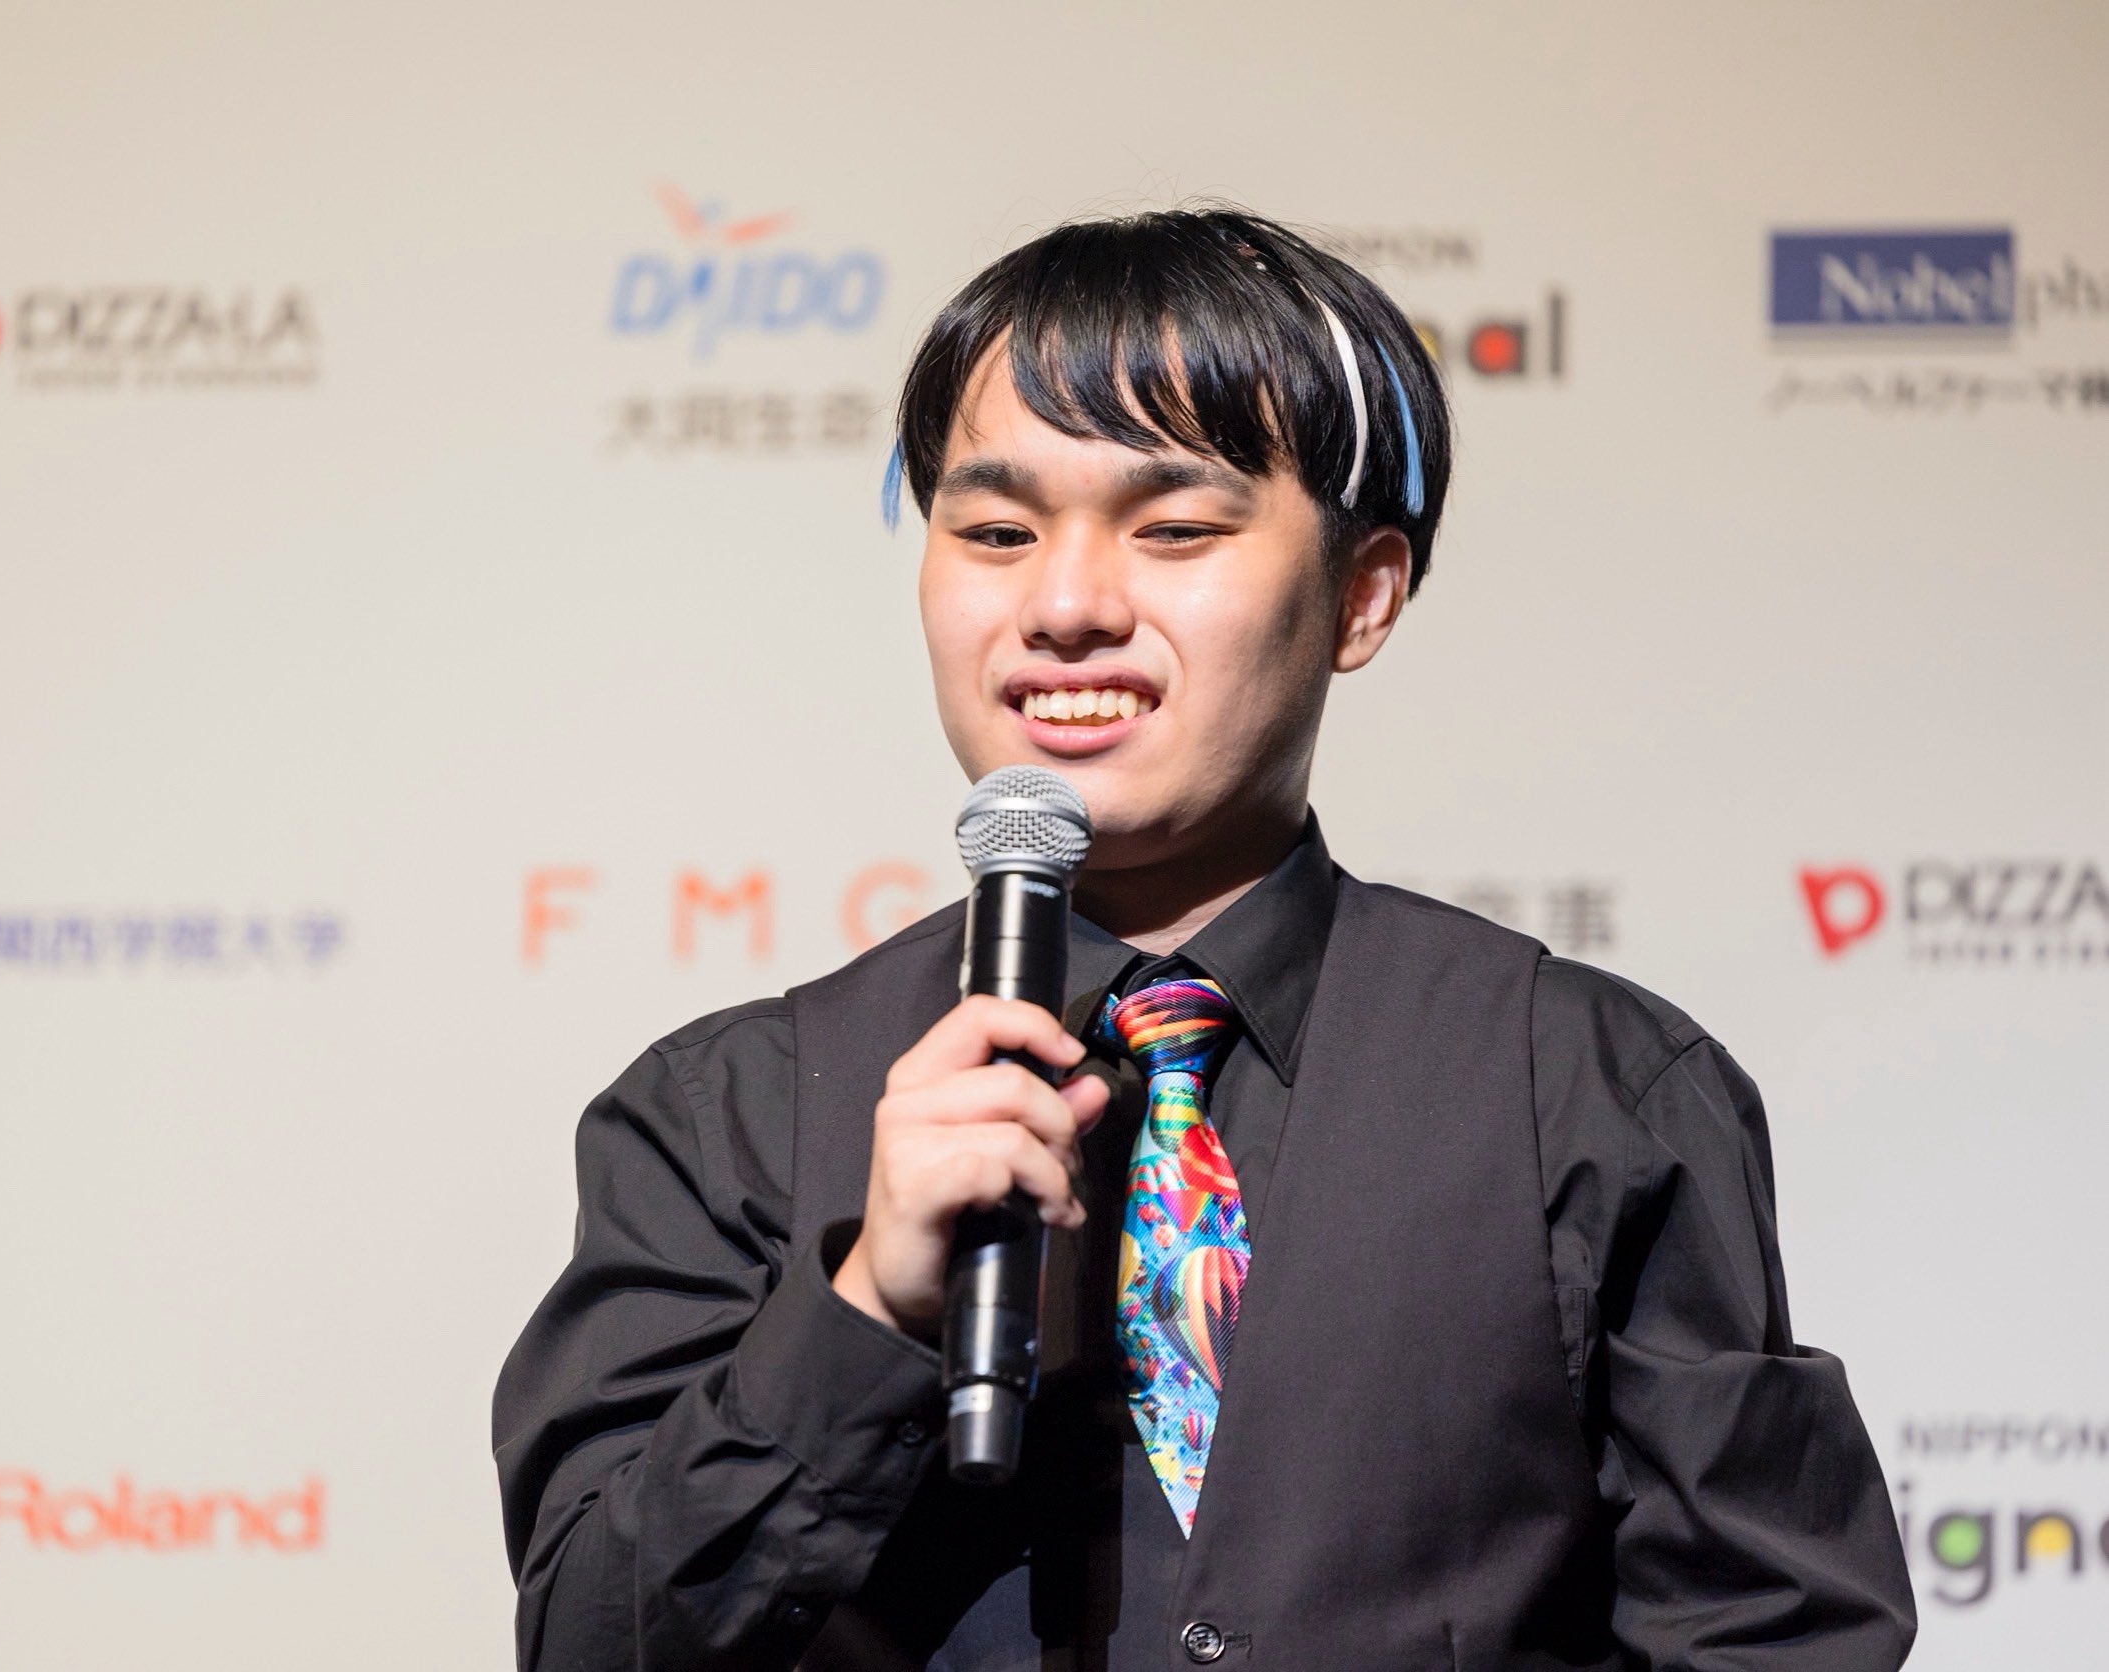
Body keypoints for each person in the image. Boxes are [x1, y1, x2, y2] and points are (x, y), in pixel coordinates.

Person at [491, 205, 1916, 1672]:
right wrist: (868, 1315)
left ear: (1362, 595)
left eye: (1173, 529)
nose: (1064, 607)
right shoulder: (726, 1112)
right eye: (995, 533)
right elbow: (593, 1642)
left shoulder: (1595, 1085)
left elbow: (1770, 1636)